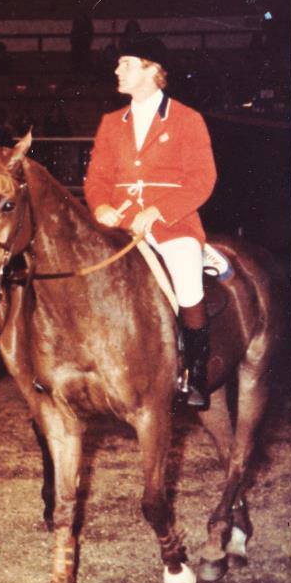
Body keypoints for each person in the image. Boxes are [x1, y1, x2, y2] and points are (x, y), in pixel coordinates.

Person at [84, 35, 216, 410]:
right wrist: (100, 207)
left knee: (187, 274)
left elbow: (201, 180)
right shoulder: (112, 122)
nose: (117, 70)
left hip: (171, 224)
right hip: (120, 222)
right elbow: (97, 179)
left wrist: (158, 210)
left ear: (152, 71)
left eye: (125, 63)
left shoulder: (188, 119)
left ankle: (194, 371)